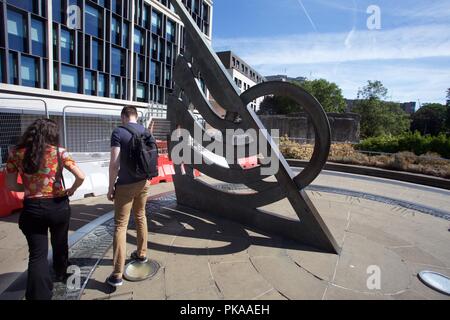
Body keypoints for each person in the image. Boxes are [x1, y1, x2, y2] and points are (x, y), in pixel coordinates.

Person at [6, 118, 85, 300]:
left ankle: (38, 295)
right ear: (52, 134)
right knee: (60, 243)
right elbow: (81, 176)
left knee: (37, 255)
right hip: (58, 206)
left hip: (32, 208)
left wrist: (29, 188)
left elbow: (11, 185)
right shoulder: (60, 153)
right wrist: (71, 190)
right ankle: (61, 272)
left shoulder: (16, 153)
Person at [107, 106, 151, 287]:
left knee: (120, 225)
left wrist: (110, 187)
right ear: (136, 116)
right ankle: (142, 254)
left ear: (123, 116)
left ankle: (117, 274)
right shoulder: (146, 131)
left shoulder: (118, 132)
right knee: (140, 216)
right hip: (144, 182)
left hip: (125, 184)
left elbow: (114, 164)